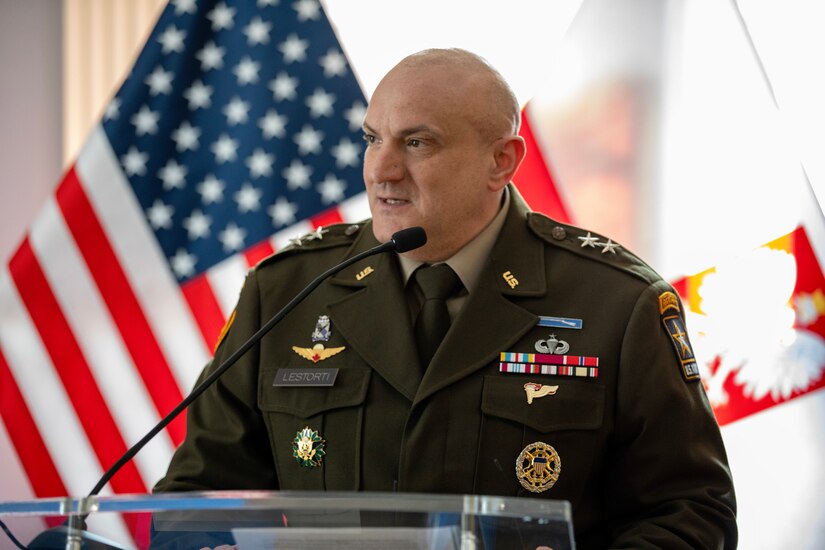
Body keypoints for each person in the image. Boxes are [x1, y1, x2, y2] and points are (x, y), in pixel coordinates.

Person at [154, 48, 737, 549]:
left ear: (501, 161)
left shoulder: (618, 303)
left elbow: (689, 512)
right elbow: (197, 498)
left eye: (417, 142)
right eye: (372, 139)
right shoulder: (285, 290)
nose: (382, 170)